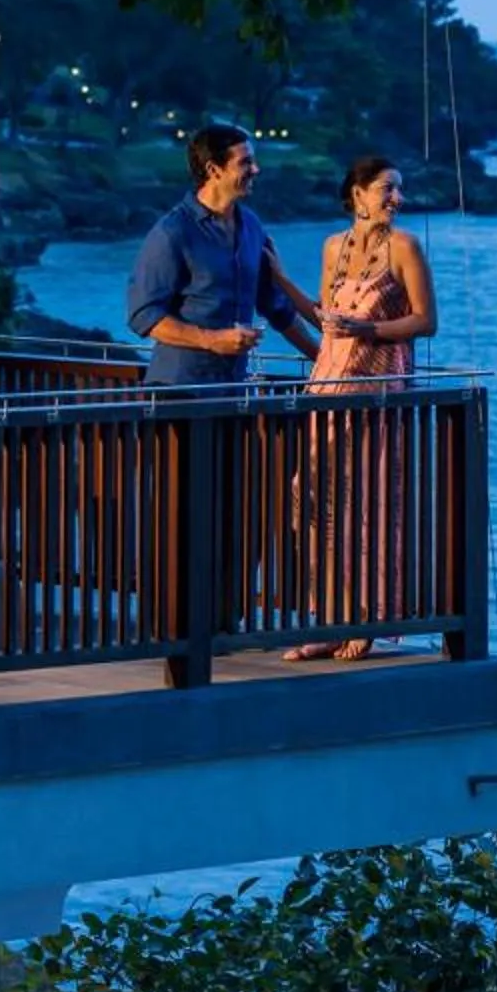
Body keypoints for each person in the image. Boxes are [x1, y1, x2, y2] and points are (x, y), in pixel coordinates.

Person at [286, 157, 440, 661]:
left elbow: (425, 321)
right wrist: (278, 278)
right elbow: (323, 314)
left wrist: (368, 331)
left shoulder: (405, 248)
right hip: (327, 389)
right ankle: (328, 617)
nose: (396, 199)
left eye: (398, 190)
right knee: (311, 503)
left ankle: (366, 619)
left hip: (376, 393)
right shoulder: (334, 247)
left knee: (365, 506)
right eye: (386, 189)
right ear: (357, 194)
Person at [126, 124, 322, 386]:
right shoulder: (172, 232)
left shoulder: (252, 227)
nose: (256, 170)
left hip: (234, 391)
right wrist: (211, 340)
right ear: (214, 170)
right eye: (245, 163)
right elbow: (144, 316)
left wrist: (324, 361)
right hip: (179, 393)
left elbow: (278, 308)